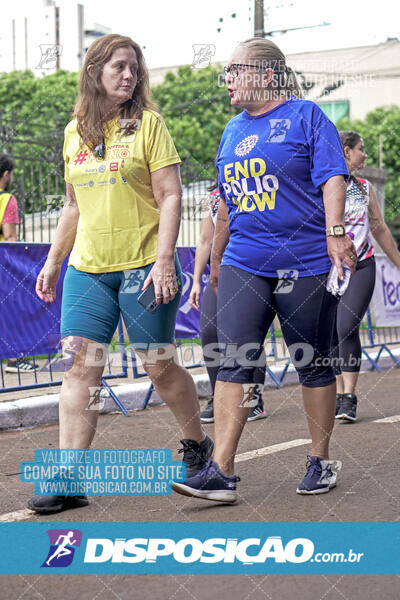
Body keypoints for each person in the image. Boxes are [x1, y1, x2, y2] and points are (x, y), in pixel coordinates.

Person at [28, 34, 213, 514]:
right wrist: (53, 260)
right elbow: (72, 205)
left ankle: (197, 450)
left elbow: (170, 194)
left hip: (145, 263)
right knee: (82, 367)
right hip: (89, 268)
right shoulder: (75, 132)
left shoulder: (149, 124)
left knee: (157, 362)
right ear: (94, 71)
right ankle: (69, 476)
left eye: (134, 68)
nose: (128, 75)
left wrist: (166, 258)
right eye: (118, 67)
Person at [173, 37, 357, 503]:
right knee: (233, 359)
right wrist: (216, 261)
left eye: (236, 70)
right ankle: (221, 472)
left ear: (267, 74)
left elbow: (332, 177)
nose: (227, 79)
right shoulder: (232, 130)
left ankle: (320, 459)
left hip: (306, 260)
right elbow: (225, 205)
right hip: (244, 260)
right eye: (227, 72)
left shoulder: (306, 116)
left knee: (310, 361)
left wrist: (336, 232)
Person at [333, 131, 400, 422]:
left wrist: (398, 263)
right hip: (327, 269)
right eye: (362, 149)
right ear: (346, 151)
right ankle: (336, 394)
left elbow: (380, 228)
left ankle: (349, 395)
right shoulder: (322, 184)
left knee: (346, 325)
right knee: (329, 330)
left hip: (362, 266)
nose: (366, 155)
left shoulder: (364, 187)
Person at [189, 185, 267, 422]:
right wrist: (195, 281)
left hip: (251, 269)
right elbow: (205, 241)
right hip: (220, 273)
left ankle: (253, 398)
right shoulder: (212, 199)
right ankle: (218, 396)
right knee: (209, 331)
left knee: (249, 335)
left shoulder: (257, 192)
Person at [0, 153, 36, 374]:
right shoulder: (7, 200)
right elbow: (10, 238)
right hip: (3, 265)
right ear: (6, 174)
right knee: (13, 309)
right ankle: (15, 359)